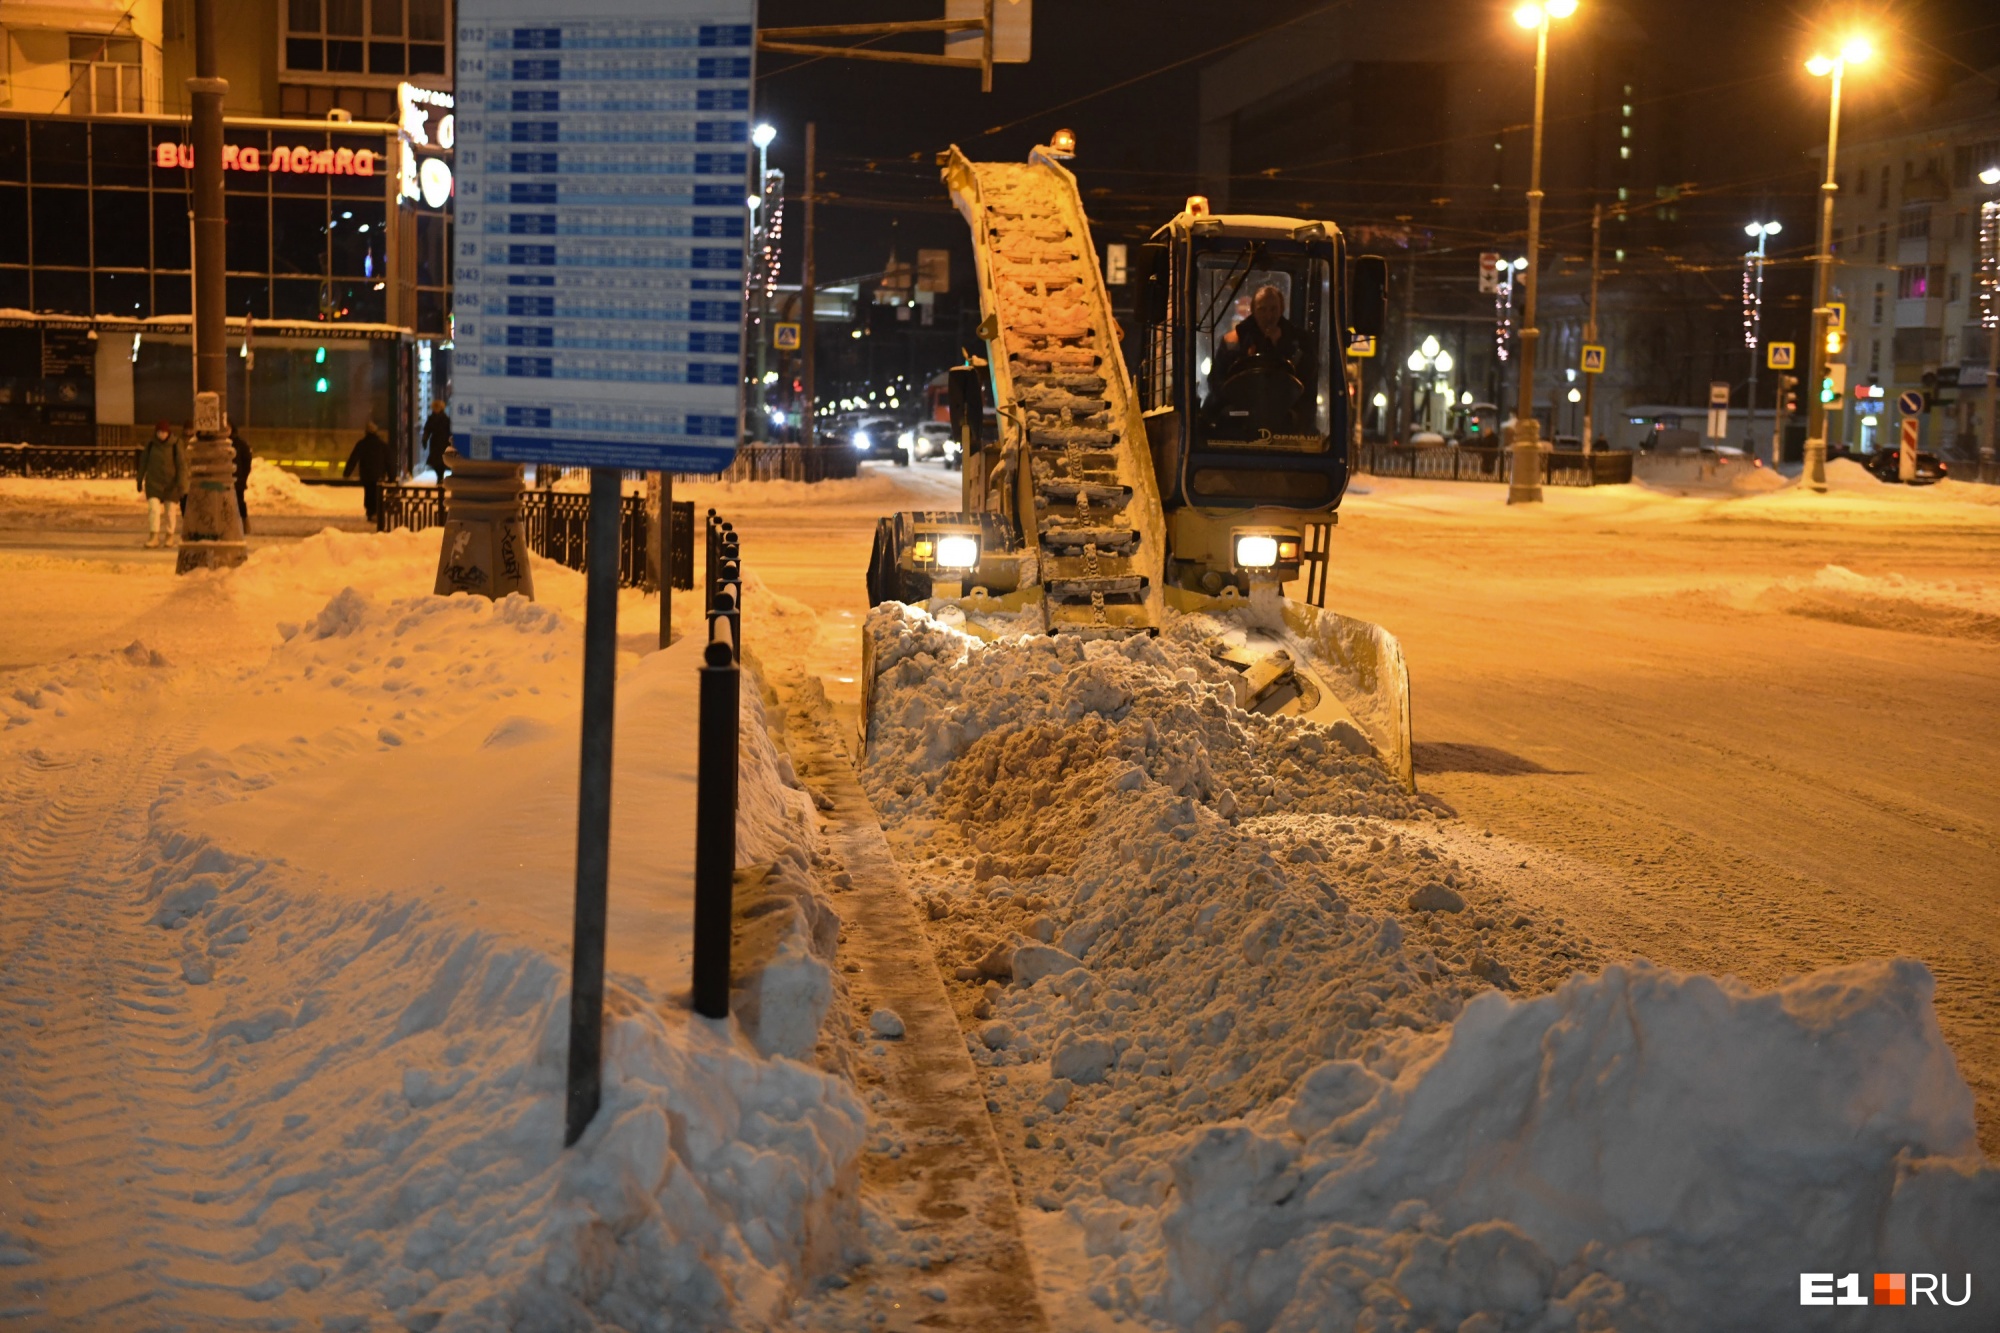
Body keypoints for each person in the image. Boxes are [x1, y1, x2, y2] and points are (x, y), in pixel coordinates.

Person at [137, 420, 186, 548]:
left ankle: (169, 535)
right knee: (153, 509)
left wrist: (182, 484)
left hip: (171, 484)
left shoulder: (175, 444)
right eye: (159, 432)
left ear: (168, 432)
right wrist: (139, 479)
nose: (161, 435)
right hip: (153, 482)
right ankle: (154, 536)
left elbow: (181, 465)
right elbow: (143, 463)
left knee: (170, 511)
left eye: (164, 432)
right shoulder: (151, 445)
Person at [344, 419, 393, 524]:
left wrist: (347, 472)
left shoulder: (362, 444)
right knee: (377, 493)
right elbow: (389, 462)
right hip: (379, 475)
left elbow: (353, 458)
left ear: (366, 432)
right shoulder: (382, 445)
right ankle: (376, 511)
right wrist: (392, 476)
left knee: (369, 492)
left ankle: (370, 511)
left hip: (366, 475)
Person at [421, 398, 451, 484]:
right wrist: (424, 439)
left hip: (443, 442)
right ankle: (439, 476)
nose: (436, 409)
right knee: (435, 461)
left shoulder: (445, 418)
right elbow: (427, 430)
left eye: (437, 407)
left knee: (441, 461)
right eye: (435, 407)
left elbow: (449, 431)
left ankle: (440, 477)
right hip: (435, 442)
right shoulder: (432, 418)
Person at [230, 423, 253, 534]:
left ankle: (245, 523)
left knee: (239, 502)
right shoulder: (218, 444)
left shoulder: (240, 444)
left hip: (238, 479)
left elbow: (247, 461)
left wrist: (243, 476)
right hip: (223, 479)